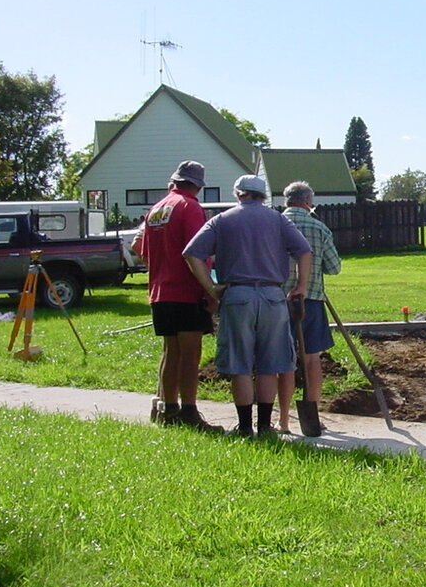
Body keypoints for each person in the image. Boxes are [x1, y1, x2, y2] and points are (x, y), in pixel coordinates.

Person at [182, 175, 313, 438]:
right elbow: (304, 250)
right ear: (263, 195)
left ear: (239, 193)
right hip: (272, 296)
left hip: (237, 295)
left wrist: (211, 287)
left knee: (239, 363)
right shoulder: (277, 219)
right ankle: (265, 426)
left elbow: (191, 253)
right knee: (270, 363)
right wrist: (301, 285)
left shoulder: (222, 219)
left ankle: (244, 428)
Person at [133, 160, 221, 433]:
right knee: (190, 353)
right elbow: (197, 253)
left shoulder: (156, 209)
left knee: (170, 352)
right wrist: (210, 290)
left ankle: (167, 408)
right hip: (186, 291)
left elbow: (141, 248)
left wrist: (162, 268)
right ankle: (189, 412)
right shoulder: (190, 207)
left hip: (160, 291)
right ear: (198, 185)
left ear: (175, 180)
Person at [274, 181, 341, 435]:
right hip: (310, 301)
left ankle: (283, 421)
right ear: (307, 202)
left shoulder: (275, 224)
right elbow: (334, 268)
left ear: (286, 201)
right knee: (312, 359)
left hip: (277, 301)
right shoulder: (318, 227)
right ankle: (312, 414)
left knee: (283, 362)